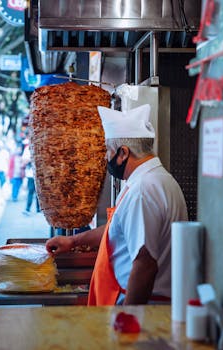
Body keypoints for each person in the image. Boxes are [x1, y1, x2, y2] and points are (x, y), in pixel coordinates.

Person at [46, 104, 188, 306]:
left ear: (123, 153)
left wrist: (129, 318)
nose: (105, 158)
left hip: (144, 307)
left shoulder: (143, 190)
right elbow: (119, 227)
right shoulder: (154, 179)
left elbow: (145, 263)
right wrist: (74, 241)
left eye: (107, 151)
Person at [22, 144, 40, 215]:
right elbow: (24, 161)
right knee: (30, 191)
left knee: (39, 192)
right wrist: (32, 158)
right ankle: (27, 208)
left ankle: (39, 209)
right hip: (30, 175)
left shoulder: (38, 145)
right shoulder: (27, 149)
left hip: (39, 175)